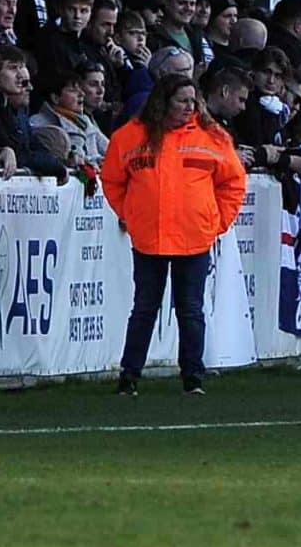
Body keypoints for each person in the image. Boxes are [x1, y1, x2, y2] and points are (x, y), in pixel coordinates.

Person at [99, 73, 247, 396]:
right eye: (182, 101)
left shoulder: (213, 137)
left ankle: (192, 376)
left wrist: (216, 222)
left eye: (193, 101)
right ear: (163, 102)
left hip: (193, 238)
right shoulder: (129, 136)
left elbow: (234, 183)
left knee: (190, 309)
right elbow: (111, 180)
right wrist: (131, 214)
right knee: (145, 308)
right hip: (150, 238)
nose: (189, 107)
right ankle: (130, 375)